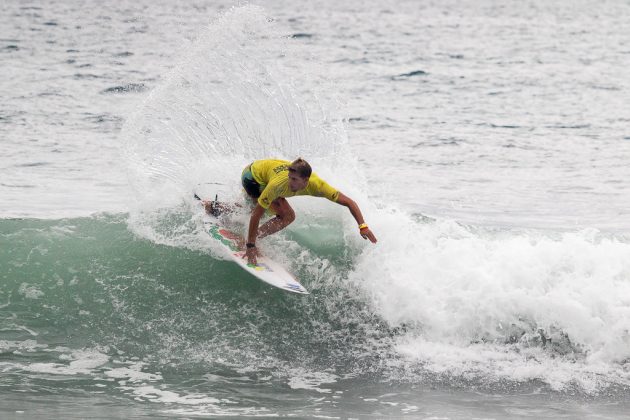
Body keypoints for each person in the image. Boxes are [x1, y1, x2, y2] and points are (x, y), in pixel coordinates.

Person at [237, 158, 377, 265]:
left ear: (305, 180)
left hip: (265, 171)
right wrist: (251, 246)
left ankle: (218, 208)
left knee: (262, 211)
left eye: (294, 179)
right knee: (281, 214)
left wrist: (363, 226)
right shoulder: (278, 185)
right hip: (252, 177)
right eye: (289, 177)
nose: (290, 182)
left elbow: (349, 202)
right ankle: (249, 242)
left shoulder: (318, 186)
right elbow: (257, 213)